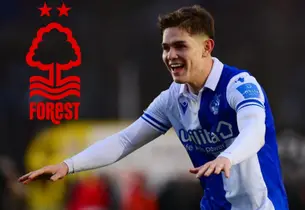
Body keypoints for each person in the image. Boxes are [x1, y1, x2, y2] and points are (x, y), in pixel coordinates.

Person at [19, 5, 288, 210]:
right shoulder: (172, 99)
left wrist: (227, 157)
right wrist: (68, 165)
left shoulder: (238, 85)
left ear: (207, 48)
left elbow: (255, 131)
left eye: (180, 46)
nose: (170, 56)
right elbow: (125, 140)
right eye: (166, 47)